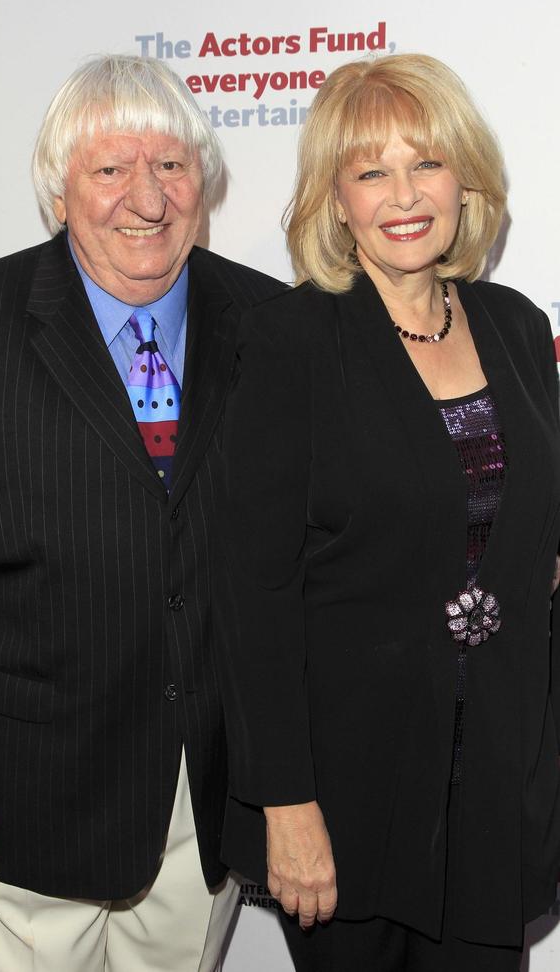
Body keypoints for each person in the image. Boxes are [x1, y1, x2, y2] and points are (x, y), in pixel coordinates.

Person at [0, 54, 283, 972]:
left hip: (208, 794)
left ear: (205, 181)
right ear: (58, 189)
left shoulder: (276, 326)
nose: (146, 200)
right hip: (26, 798)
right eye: (111, 169)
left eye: (171, 167)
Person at [216, 53, 560, 971]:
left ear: (466, 180)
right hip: (346, 800)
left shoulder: (520, 328)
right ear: (336, 199)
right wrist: (285, 808)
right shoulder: (292, 341)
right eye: (371, 171)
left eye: (427, 163)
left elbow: (530, 542)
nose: (403, 194)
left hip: (495, 791)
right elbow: (254, 596)